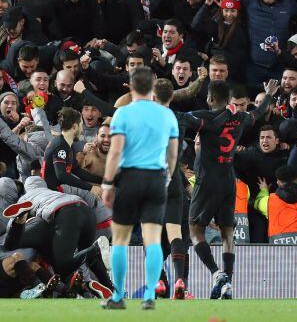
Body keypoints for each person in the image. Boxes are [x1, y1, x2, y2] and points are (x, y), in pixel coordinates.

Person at [183, 78, 278, 300]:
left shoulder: (205, 117)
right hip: (228, 180)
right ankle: (228, 282)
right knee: (228, 232)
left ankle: (217, 274)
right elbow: (258, 114)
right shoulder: (240, 118)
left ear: (210, 98)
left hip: (206, 180)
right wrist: (269, 95)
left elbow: (186, 119)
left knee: (194, 230)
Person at [100, 66, 180, 310]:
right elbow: (173, 153)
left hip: (131, 178)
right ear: (152, 88)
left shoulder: (123, 114)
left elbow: (115, 151)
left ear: (132, 86)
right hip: (156, 179)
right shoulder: (167, 116)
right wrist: (166, 177)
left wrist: (107, 182)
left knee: (121, 239)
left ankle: (117, 297)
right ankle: (150, 296)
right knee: (153, 239)